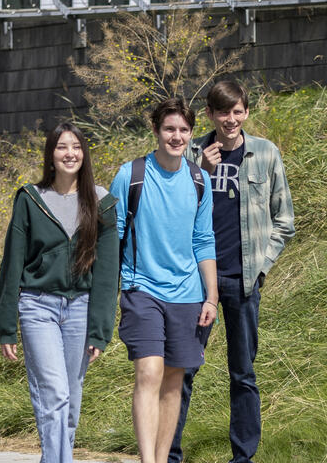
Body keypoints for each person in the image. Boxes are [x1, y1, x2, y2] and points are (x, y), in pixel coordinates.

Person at [168, 80, 295, 463]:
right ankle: (168, 454)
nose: (230, 119)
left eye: (237, 111)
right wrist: (201, 172)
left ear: (246, 112)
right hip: (195, 281)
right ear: (210, 114)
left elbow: (284, 220)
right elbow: (171, 209)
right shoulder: (189, 152)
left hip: (243, 281)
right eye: (223, 111)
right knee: (183, 369)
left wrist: (261, 267)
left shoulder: (265, 153)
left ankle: (243, 457)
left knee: (243, 373)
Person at [0, 122, 120, 463]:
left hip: (81, 309)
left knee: (71, 402)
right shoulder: (30, 199)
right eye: (62, 147)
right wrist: (6, 325)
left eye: (76, 147)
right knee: (55, 395)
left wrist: (100, 329)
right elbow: (12, 262)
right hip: (38, 307)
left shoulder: (102, 202)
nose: (70, 153)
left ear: (84, 154)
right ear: (50, 154)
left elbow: (107, 273)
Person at [111, 98, 218, 463]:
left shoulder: (199, 180)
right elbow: (113, 236)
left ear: (191, 134)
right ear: (155, 130)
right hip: (142, 289)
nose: (176, 137)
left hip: (188, 294)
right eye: (169, 129)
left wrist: (211, 296)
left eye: (184, 130)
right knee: (150, 371)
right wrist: (108, 292)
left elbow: (203, 240)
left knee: (174, 382)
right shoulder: (131, 175)